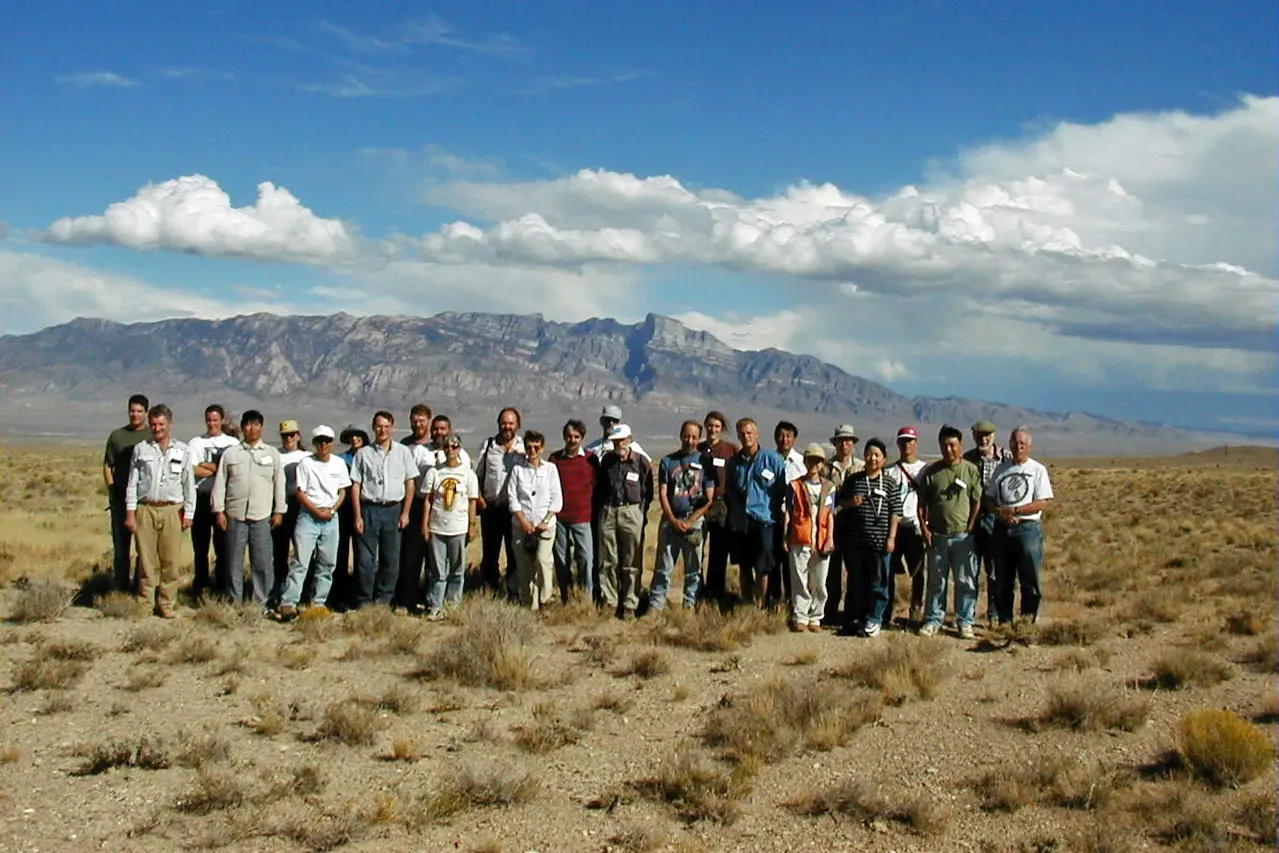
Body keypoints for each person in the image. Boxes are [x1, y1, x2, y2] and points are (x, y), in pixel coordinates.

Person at [124, 404, 195, 618]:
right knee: (146, 560)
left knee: (170, 560)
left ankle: (166, 603)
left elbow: (188, 484)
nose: (157, 428)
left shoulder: (183, 451)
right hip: (146, 509)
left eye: (161, 424)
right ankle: (145, 603)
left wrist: (189, 514)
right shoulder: (141, 449)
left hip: (173, 510)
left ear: (170, 424)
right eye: (154, 424)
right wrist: (130, 512)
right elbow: (132, 483)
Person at [212, 410, 286, 608]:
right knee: (233, 563)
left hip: (262, 516)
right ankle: (234, 602)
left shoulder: (272, 454)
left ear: (262, 428)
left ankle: (262, 603)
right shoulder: (231, 454)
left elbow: (279, 484)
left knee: (262, 564)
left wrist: (279, 511)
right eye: (248, 424)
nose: (252, 428)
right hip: (235, 516)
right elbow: (220, 483)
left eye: (256, 424)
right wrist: (219, 510)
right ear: (242, 427)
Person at [276, 425, 351, 620]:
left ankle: (318, 603)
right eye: (319, 441)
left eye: (327, 441)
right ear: (315, 443)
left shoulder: (338, 464)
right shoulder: (306, 463)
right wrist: (317, 511)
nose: (323, 445)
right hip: (309, 517)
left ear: (332, 443)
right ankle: (288, 603)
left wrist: (332, 510)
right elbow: (300, 492)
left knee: (327, 563)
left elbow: (343, 490)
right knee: (300, 561)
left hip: (331, 518)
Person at [916, 425, 983, 638]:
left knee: (965, 580)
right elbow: (921, 503)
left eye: (952, 445)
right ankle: (933, 619)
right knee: (936, 581)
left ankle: (965, 621)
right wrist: (925, 529)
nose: (948, 449)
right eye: (944, 445)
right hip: (938, 536)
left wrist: (971, 526)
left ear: (960, 446)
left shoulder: (970, 470)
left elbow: (977, 500)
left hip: (963, 536)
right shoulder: (932, 472)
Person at [985, 427, 1054, 626]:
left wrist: (1016, 511)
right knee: (1003, 580)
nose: (1019, 447)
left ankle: (1027, 621)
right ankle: (1005, 621)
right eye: (1015, 443)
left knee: (1029, 578)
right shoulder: (1001, 469)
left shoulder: (1037, 470)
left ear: (1029, 446)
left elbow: (1042, 502)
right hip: (1002, 529)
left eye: (1023, 444)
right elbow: (989, 499)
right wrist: (1000, 512)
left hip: (1027, 530)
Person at [349, 410, 419, 608]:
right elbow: (356, 486)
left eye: (386, 426)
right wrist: (357, 515)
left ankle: (384, 599)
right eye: (379, 426)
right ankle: (364, 599)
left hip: (393, 510)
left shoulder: (403, 452)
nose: (382, 430)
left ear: (392, 427)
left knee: (391, 559)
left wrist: (405, 512)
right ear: (373, 428)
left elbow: (410, 484)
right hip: (369, 509)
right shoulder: (363, 454)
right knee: (365, 560)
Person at [836, 438, 902, 638]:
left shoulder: (890, 483)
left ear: (883, 459)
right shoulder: (854, 480)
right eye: (869, 454)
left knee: (879, 582)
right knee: (856, 581)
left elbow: (896, 511)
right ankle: (853, 619)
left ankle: (875, 618)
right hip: (856, 541)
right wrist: (850, 503)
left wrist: (891, 538)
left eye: (877, 455)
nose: (872, 458)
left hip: (880, 541)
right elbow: (838, 504)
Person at [651, 421, 716, 612]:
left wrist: (690, 521)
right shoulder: (668, 461)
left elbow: (709, 498)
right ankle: (655, 606)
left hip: (695, 522)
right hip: (671, 521)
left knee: (693, 569)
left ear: (699, 439)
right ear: (681, 436)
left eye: (695, 437)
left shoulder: (705, 462)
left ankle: (689, 606)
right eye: (687, 436)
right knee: (663, 567)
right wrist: (671, 518)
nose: (690, 440)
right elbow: (663, 493)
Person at [724, 418, 787, 605]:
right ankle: (747, 603)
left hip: (765, 520)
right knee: (744, 566)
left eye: (749, 433)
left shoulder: (772, 459)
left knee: (763, 567)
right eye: (742, 434)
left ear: (757, 434)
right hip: (741, 521)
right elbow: (730, 490)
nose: (746, 437)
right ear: (738, 436)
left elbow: (781, 490)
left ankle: (760, 603)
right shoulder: (734, 463)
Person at [594, 423, 651, 619]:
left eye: (622, 440)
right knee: (607, 560)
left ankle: (630, 603)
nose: (619, 444)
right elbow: (600, 487)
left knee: (632, 560)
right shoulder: (607, 461)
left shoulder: (641, 462)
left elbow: (647, 490)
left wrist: (640, 514)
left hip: (632, 511)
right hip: (609, 511)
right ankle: (609, 601)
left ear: (630, 440)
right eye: (615, 441)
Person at [420, 433, 479, 619]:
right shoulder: (434, 473)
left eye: (454, 446)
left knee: (457, 569)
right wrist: (425, 524)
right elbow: (428, 501)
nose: (450, 450)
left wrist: (472, 525)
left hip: (459, 528)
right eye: (447, 447)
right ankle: (435, 606)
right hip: (437, 527)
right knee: (437, 570)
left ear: (460, 449)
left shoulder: (468, 474)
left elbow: (472, 502)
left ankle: (452, 606)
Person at [507, 431, 563, 610]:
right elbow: (513, 498)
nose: (532, 450)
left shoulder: (550, 469)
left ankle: (545, 598)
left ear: (542, 448)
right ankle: (528, 601)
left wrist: (545, 521)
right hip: (521, 526)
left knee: (542, 560)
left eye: (536, 447)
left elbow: (556, 499)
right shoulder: (517, 470)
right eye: (529, 446)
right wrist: (523, 522)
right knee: (524, 565)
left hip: (544, 527)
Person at [783, 443, 836, 632]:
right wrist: (785, 536)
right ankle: (800, 616)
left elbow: (830, 515)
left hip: (821, 539)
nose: (814, 464)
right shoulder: (795, 485)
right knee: (799, 579)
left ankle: (816, 617)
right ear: (805, 461)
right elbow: (789, 512)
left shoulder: (829, 487)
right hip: (800, 536)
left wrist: (830, 538)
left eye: (818, 460)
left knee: (820, 580)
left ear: (822, 464)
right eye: (810, 460)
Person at [474, 407, 526, 598]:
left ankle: (514, 593)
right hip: (491, 508)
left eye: (511, 423)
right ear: (498, 424)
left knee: (514, 554)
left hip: (514, 510)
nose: (507, 427)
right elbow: (477, 475)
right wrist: (480, 500)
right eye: (504, 423)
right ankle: (489, 590)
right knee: (490, 553)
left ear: (517, 425)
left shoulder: (524, 448)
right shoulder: (488, 446)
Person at [187, 404, 237, 599]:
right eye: (209, 420)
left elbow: (232, 471)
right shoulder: (196, 443)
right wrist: (217, 468)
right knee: (200, 546)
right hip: (201, 497)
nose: (212, 424)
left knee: (223, 545)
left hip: (224, 499)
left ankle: (223, 586)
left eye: (215, 420)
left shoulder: (232, 443)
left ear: (222, 420)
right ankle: (200, 585)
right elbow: (192, 470)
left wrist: (206, 466)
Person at [964, 420, 1011, 626]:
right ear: (973, 435)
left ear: (994, 435)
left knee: (994, 571)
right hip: (971, 520)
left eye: (988, 435)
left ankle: (994, 613)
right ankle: (968, 614)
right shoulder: (967, 459)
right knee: (969, 570)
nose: (984, 438)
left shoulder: (1006, 458)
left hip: (996, 521)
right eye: (980, 434)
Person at [103, 394, 150, 592]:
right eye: (132, 410)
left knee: (144, 548)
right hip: (121, 498)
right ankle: (120, 587)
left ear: (146, 413)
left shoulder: (152, 435)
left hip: (144, 500)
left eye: (139, 411)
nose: (135, 415)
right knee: (121, 548)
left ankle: (141, 588)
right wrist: (112, 489)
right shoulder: (117, 436)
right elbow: (107, 465)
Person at [549, 420, 597, 603]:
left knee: (586, 559)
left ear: (582, 438)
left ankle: (586, 598)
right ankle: (566, 597)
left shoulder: (590, 460)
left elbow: (597, 486)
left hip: (583, 518)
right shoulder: (555, 460)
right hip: (560, 517)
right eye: (569, 436)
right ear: (564, 437)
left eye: (576, 436)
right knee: (562, 560)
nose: (572, 440)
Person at [884, 427, 928, 626]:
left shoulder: (925, 470)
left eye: (910, 440)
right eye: (903, 441)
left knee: (917, 572)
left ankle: (916, 610)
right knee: (889, 571)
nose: (907, 445)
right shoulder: (890, 471)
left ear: (916, 443)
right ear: (898, 444)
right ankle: (888, 611)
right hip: (895, 527)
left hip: (916, 527)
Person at [823, 424, 864, 626]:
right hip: (833, 525)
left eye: (848, 440)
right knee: (831, 572)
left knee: (854, 571)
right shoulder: (826, 468)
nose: (844, 444)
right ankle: (829, 610)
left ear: (853, 444)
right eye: (840, 441)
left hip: (855, 527)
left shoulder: (862, 467)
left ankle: (851, 612)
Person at [698, 410, 739, 602]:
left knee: (718, 551)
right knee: (696, 549)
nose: (712, 429)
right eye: (710, 425)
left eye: (716, 426)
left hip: (722, 505)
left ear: (722, 429)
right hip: (699, 505)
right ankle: (696, 591)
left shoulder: (731, 449)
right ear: (705, 426)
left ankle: (715, 594)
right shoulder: (697, 449)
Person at [397, 403, 434, 612]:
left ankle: (431, 599)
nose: (418, 424)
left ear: (428, 421)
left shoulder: (436, 445)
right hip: (411, 504)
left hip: (435, 505)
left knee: (433, 555)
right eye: (415, 420)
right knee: (410, 555)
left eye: (422, 420)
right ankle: (407, 599)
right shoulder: (403, 445)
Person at [273, 420, 309, 606]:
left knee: (302, 552)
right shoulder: (275, 455)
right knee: (279, 551)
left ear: (298, 436)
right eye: (285, 435)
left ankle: (302, 591)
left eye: (292, 434)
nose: (289, 438)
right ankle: (278, 591)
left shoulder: (308, 456)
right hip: (280, 504)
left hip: (302, 505)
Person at [333, 424, 368, 610]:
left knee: (362, 554)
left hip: (364, 509)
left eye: (358, 436)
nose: (354, 439)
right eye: (351, 436)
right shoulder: (341, 459)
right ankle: (340, 593)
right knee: (340, 552)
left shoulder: (369, 456)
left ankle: (360, 593)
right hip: (343, 509)